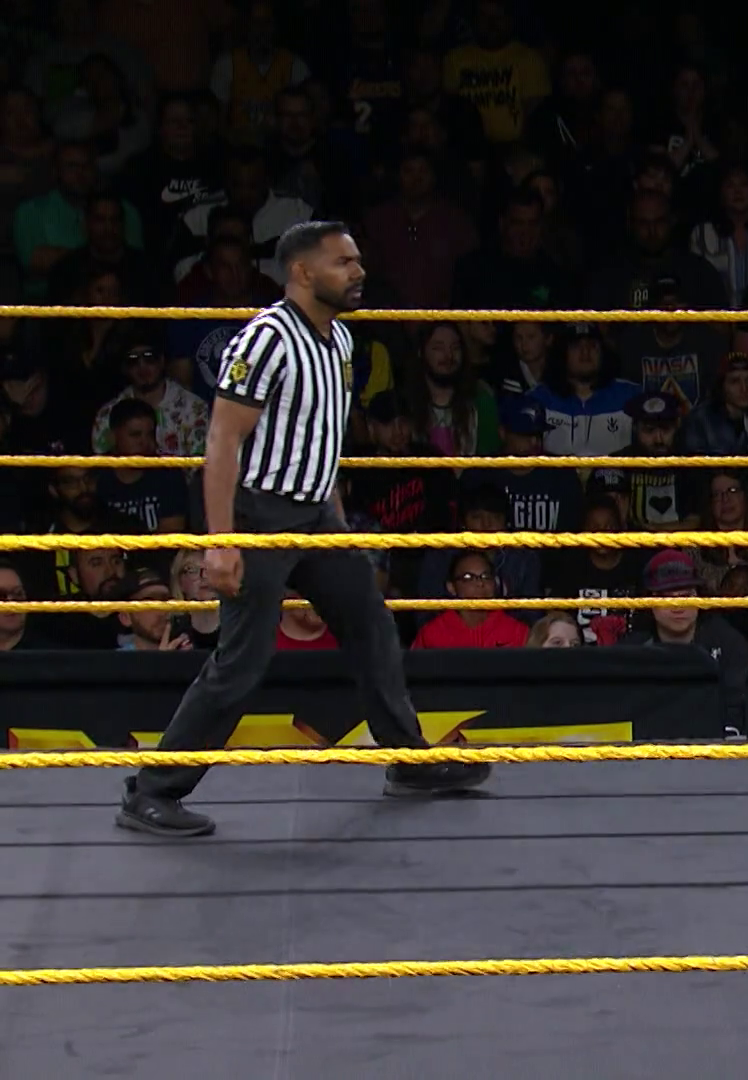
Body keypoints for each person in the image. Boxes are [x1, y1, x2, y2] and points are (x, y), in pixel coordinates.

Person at [117, 221, 490, 838]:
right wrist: (221, 541)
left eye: (358, 259)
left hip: (316, 514)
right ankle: (152, 790)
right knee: (242, 662)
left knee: (372, 625)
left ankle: (408, 760)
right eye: (344, 262)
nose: (358, 272)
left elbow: (320, 437)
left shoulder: (339, 339)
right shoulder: (266, 338)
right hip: (259, 514)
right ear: (302, 272)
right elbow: (222, 440)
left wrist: (333, 514)